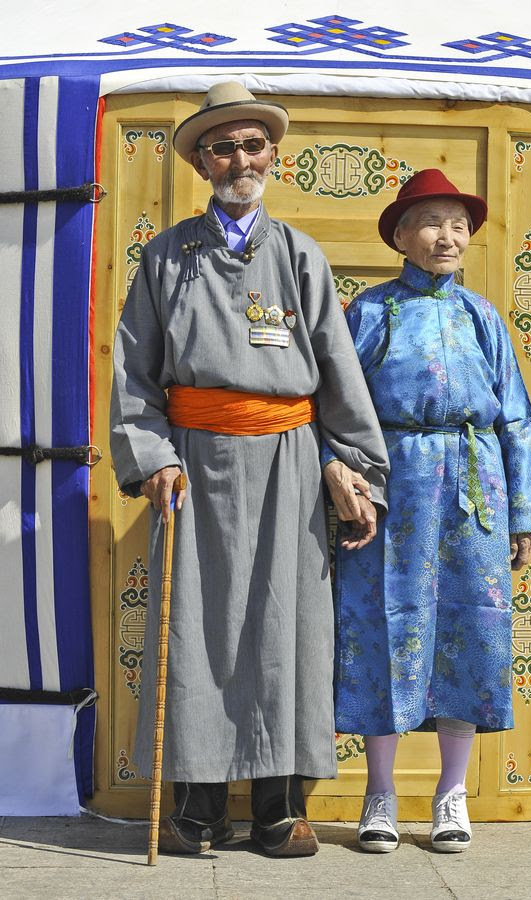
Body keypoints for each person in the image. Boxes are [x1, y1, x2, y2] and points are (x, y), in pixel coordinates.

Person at [110, 81, 389, 857]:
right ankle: (197, 811)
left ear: (274, 156)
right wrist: (153, 459)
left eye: (253, 144)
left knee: (286, 629)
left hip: (290, 467)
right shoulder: (167, 256)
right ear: (202, 162)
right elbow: (134, 376)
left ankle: (277, 811)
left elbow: (337, 370)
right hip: (193, 467)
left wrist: (354, 465)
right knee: (195, 632)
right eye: (223, 146)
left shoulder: (300, 254)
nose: (240, 158)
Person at [328, 169, 531, 854]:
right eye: (430, 221)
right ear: (399, 235)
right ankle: (379, 792)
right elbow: (336, 407)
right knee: (380, 632)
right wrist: (349, 488)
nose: (446, 236)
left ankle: (451, 795)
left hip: (472, 490)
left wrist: (521, 514)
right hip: (393, 490)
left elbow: (515, 417)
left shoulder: (482, 316)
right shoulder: (369, 312)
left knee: (468, 632)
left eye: (456, 223)